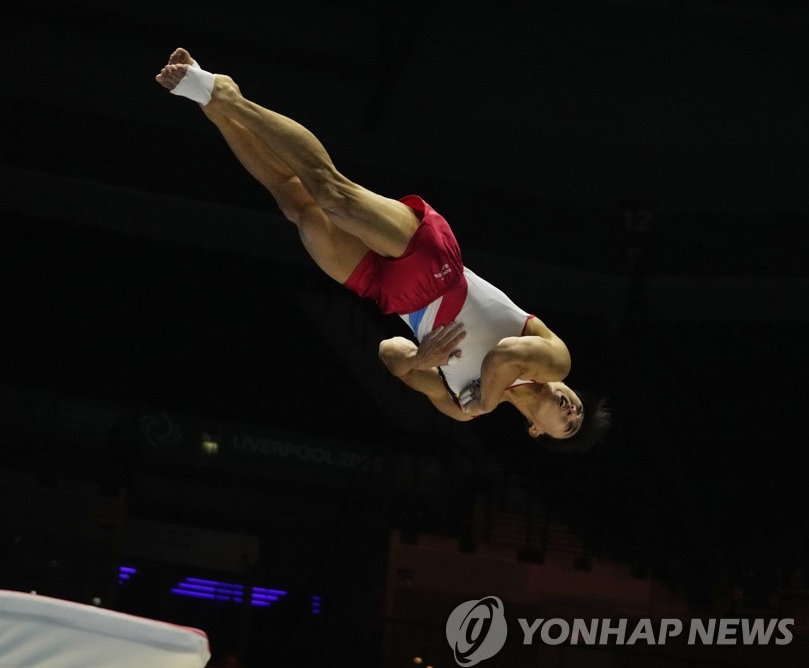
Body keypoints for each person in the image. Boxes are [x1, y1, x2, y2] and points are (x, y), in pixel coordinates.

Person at [155, 48, 609, 451]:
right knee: (333, 193)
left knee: (299, 207)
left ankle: (210, 105)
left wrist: (419, 359)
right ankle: (224, 93)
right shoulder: (554, 360)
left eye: (568, 427)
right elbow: (506, 353)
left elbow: (390, 356)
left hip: (395, 298)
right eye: (578, 409)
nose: (571, 412)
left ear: (537, 431)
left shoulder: (462, 408)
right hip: (437, 268)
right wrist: (487, 396)